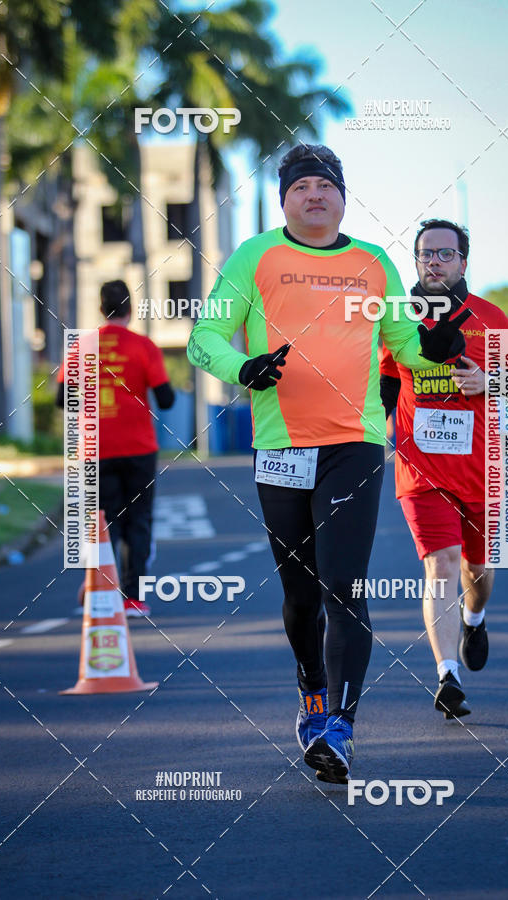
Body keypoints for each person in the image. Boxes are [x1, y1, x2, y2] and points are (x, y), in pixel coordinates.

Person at [187, 145, 469, 782]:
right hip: (280, 447)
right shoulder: (255, 256)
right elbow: (203, 339)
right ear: (284, 200)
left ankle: (339, 728)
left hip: (355, 443)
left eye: (325, 185)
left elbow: (404, 347)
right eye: (301, 186)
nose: (314, 194)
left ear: (342, 197)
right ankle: (311, 691)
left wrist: (437, 350)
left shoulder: (371, 263)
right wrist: (243, 368)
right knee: (300, 593)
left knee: (344, 587)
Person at [380, 219, 508, 719]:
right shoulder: (397, 319)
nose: (434, 261)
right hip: (421, 470)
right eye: (425, 253)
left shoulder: (490, 317)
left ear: (462, 262)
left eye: (445, 253)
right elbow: (385, 384)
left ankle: (475, 616)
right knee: (441, 563)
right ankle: (447, 675)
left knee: (478, 568)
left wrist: (489, 381)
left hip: (485, 469)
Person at [57, 280, 175, 617]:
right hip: (138, 447)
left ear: (100, 308)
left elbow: (63, 399)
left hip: (96, 448)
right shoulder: (144, 346)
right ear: (130, 309)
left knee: (102, 521)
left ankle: (101, 592)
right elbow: (166, 399)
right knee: (139, 520)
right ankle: (133, 598)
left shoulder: (82, 345)